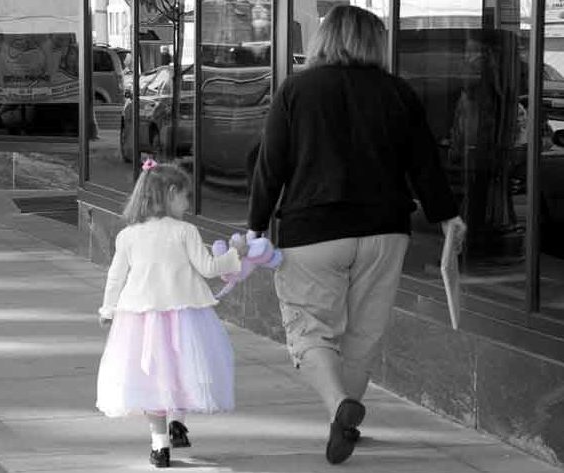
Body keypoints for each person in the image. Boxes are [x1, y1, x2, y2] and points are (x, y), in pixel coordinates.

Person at [246, 5, 467, 466]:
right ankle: (344, 422)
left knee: (309, 329)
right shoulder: (397, 92)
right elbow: (423, 162)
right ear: (374, 42)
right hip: (385, 231)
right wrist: (447, 216)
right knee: (363, 335)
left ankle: (338, 408)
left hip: (314, 232)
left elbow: (272, 164)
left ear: (325, 40)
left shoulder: (296, 90)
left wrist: (256, 224)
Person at [97, 159, 244, 468]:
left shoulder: (128, 235)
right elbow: (208, 268)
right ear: (172, 193)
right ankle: (178, 421)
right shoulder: (185, 231)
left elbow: (115, 277)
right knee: (183, 368)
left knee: (152, 378)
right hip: (184, 317)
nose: (188, 203)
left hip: (140, 319)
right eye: (186, 196)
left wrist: (108, 309)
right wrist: (236, 256)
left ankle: (160, 445)